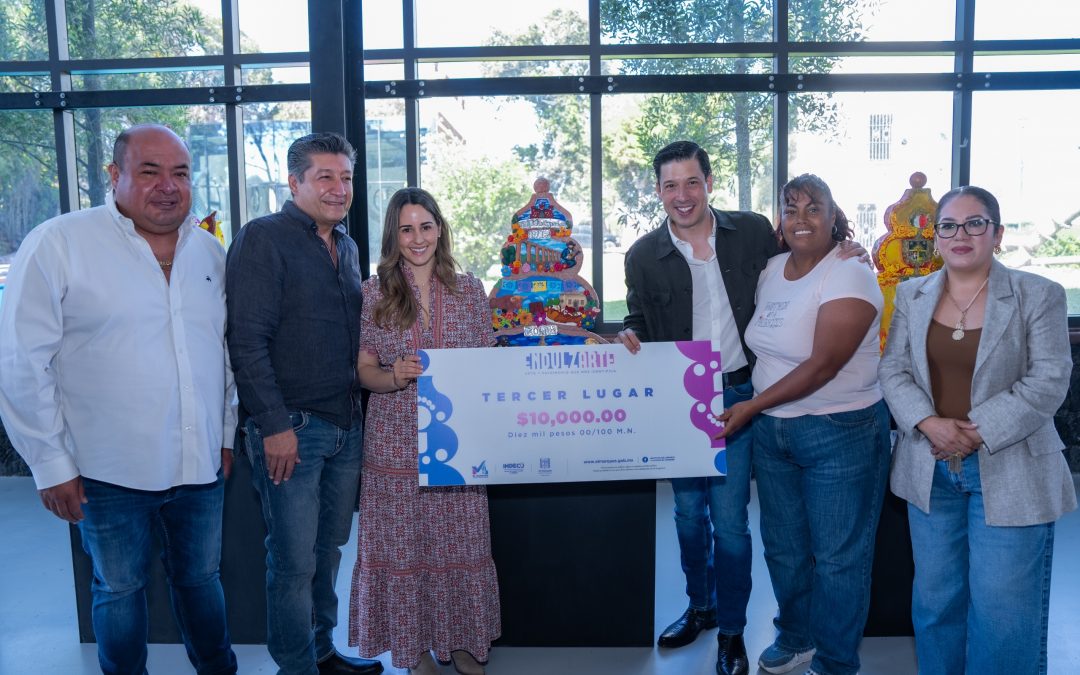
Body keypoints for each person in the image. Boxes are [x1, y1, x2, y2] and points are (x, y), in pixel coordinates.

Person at [0, 124, 238, 675]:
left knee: (202, 580)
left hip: (199, 464)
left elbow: (221, 352)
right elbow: (21, 361)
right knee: (119, 590)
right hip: (106, 471)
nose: (168, 186)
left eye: (180, 173)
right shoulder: (59, 244)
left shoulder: (209, 252)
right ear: (114, 175)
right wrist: (50, 463)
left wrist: (224, 434)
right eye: (150, 171)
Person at [878, 186, 1076, 675]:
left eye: (975, 223)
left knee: (1003, 613)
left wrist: (976, 431)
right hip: (931, 471)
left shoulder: (1038, 294)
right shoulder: (912, 295)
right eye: (948, 225)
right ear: (936, 236)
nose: (960, 234)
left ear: (998, 233)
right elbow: (893, 370)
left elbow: (1049, 380)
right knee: (936, 606)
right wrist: (929, 424)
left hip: (1012, 470)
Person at [716, 174, 890, 675]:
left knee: (837, 558)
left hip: (841, 430)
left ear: (834, 217)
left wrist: (751, 407)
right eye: (791, 209)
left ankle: (835, 662)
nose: (801, 219)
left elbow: (823, 365)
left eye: (814, 209)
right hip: (774, 433)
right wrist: (760, 412)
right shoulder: (772, 269)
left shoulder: (850, 273)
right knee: (785, 547)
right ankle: (797, 637)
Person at [226, 132, 382, 675]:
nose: (340, 189)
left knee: (328, 549)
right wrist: (273, 426)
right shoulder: (263, 238)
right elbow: (246, 341)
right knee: (292, 561)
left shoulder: (348, 247)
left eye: (346, 177)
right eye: (325, 177)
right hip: (290, 428)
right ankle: (295, 667)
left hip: (345, 425)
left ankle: (320, 652)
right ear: (294, 183)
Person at [618, 139, 775, 675]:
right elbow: (638, 320)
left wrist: (845, 249)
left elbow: (802, 264)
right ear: (658, 191)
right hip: (680, 398)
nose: (682, 195)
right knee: (687, 515)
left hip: (740, 395)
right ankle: (701, 607)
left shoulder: (753, 231)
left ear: (709, 182)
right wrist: (629, 336)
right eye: (670, 185)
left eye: (691, 182)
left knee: (730, 523)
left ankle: (732, 632)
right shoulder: (642, 256)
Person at [347, 187, 500, 675]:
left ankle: (463, 642)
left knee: (460, 544)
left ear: (440, 230)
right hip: (394, 442)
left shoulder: (469, 289)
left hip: (457, 441)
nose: (417, 238)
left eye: (426, 227)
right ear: (394, 236)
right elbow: (363, 370)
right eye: (406, 229)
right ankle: (413, 651)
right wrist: (393, 376)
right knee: (404, 548)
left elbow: (490, 362)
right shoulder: (374, 292)